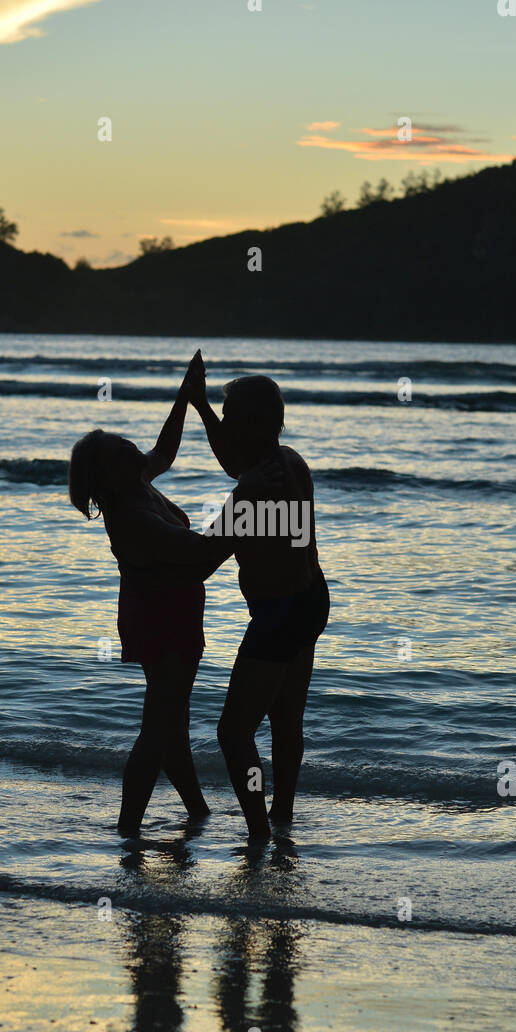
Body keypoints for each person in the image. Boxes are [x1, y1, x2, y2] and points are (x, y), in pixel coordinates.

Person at [68, 355, 231, 836]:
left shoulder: (137, 485)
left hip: (166, 613)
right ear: (108, 474)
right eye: (124, 450)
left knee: (171, 729)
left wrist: (185, 398)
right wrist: (247, 517)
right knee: (159, 729)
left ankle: (197, 813)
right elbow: (200, 556)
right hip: (163, 622)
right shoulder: (133, 516)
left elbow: (166, 449)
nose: (136, 450)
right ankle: (127, 831)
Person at [187, 354, 330, 840]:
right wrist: (201, 408)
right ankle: (282, 816)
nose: (224, 427)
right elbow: (232, 460)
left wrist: (240, 493)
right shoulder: (287, 458)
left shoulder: (256, 489)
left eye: (230, 418)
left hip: (280, 615)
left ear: (254, 424)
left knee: (233, 733)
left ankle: (259, 831)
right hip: (310, 599)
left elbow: (202, 562)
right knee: (286, 718)